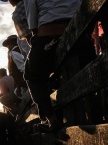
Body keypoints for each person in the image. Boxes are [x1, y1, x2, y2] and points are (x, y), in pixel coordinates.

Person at [24, 0, 82, 132]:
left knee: (32, 76)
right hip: (78, 30)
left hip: (48, 35)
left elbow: (33, 25)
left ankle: (51, 120)